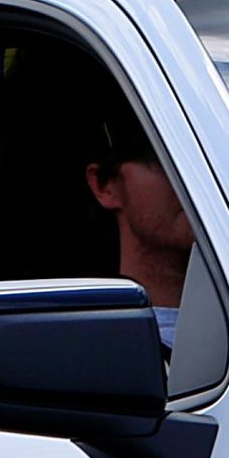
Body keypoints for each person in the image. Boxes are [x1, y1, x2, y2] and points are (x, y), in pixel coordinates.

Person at [87, 110, 193, 350]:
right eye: (163, 159)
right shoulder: (96, 347)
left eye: (205, 161)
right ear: (105, 187)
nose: (191, 178)